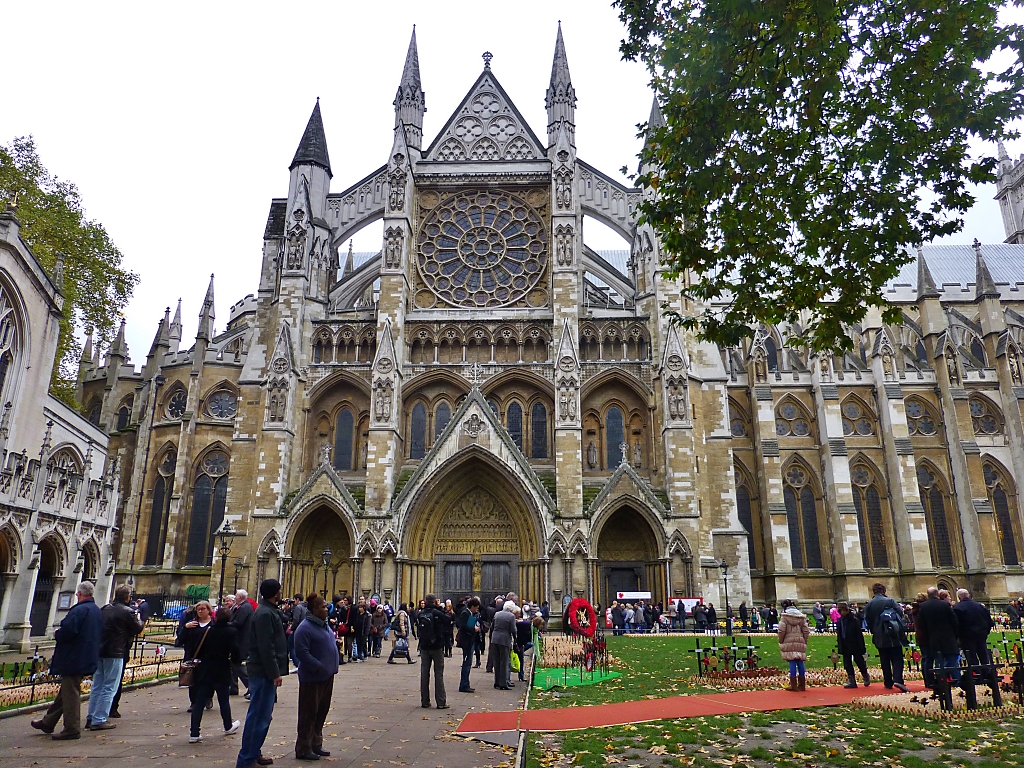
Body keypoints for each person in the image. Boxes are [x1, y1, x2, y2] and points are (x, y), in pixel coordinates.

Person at [31, 581, 102, 740]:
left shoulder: (79, 610)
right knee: (67, 691)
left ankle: (72, 728)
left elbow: (68, 631)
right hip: (86, 656)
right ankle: (48, 722)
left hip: (74, 657)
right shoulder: (96, 610)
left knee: (71, 693)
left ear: (79, 594)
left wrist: (57, 633)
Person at [236, 579, 289, 768]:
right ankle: (247, 760)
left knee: (263, 715)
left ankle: (253, 753)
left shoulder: (268, 610)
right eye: (279, 591)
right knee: (259, 716)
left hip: (263, 671)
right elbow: (266, 646)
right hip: (263, 672)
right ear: (275, 593)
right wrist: (275, 673)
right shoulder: (265, 613)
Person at [88, 584, 143, 730]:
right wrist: (140, 619)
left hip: (100, 650)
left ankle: (91, 716)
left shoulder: (105, 608)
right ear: (127, 597)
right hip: (115, 651)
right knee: (109, 686)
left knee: (97, 685)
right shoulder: (128, 611)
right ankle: (99, 719)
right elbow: (137, 628)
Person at [293, 593, 339, 761]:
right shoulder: (305, 627)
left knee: (321, 712)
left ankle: (316, 744)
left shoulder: (323, 625)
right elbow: (301, 653)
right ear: (313, 609)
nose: (326, 609)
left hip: (326, 676)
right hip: (313, 678)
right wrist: (318, 667)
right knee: (308, 714)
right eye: (323, 607)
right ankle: (303, 748)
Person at [187, 605, 241, 743]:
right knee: (223, 700)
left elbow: (197, 648)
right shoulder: (232, 631)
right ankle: (228, 726)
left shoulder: (208, 630)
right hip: (221, 668)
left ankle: (194, 733)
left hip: (205, 668)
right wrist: (235, 660)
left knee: (199, 701)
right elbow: (235, 650)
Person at [865, 582, 909, 692]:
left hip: (879, 635)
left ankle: (888, 682)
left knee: (884, 659)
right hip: (892, 633)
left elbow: (867, 619)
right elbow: (900, 614)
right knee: (897, 657)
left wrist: (873, 630)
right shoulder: (890, 601)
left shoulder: (870, 604)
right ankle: (898, 679)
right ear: (884, 591)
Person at [916, 586, 960, 683]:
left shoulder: (923, 607)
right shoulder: (945, 605)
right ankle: (956, 681)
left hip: (933, 638)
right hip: (948, 637)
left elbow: (921, 625)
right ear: (937, 594)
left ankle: (941, 681)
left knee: (938, 661)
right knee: (952, 660)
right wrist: (955, 635)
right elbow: (954, 622)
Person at [417, 594, 451, 709]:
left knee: (424, 673)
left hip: (424, 646)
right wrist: (440, 608)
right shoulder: (437, 613)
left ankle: (425, 701)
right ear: (435, 601)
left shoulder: (421, 613)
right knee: (438, 674)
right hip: (436, 646)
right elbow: (448, 619)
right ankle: (441, 702)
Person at [953, 588, 994, 668]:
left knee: (971, 657)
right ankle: (987, 673)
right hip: (981, 635)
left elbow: (956, 625)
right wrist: (985, 632)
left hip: (966, 636)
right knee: (983, 655)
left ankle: (977, 674)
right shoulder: (980, 606)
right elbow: (989, 622)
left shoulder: (957, 608)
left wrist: (958, 636)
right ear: (968, 595)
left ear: (959, 597)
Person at [777, 599, 810, 691]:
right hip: (800, 640)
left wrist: (781, 640)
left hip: (788, 640)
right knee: (800, 661)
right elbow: (806, 631)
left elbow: (781, 630)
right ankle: (802, 685)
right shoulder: (801, 617)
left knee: (792, 660)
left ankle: (794, 685)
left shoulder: (784, 617)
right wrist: (804, 640)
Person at [836, 601, 870, 688]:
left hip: (855, 644)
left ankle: (865, 676)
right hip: (845, 644)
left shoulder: (854, 620)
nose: (843, 612)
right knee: (847, 664)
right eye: (841, 611)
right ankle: (852, 681)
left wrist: (862, 648)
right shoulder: (840, 621)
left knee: (859, 661)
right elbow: (839, 634)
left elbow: (859, 635)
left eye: (844, 610)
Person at [229, 590, 254, 697]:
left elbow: (239, 622)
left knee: (236, 664)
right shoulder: (241, 606)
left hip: (241, 640)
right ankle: (233, 687)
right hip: (238, 639)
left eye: (236, 596)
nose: (235, 597)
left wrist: (226, 624)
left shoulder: (245, 607)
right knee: (233, 663)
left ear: (240, 597)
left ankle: (251, 686)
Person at [455, 596, 481, 692]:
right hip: (466, 642)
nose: (477, 610)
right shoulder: (465, 613)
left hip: (471, 640)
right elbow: (462, 626)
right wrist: (473, 629)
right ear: (472, 606)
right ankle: (464, 685)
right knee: (466, 664)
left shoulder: (471, 614)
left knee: (468, 664)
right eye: (476, 607)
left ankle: (466, 683)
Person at [490, 599, 516, 690]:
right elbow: (513, 630)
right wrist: (515, 638)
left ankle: (497, 682)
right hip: (504, 640)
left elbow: (492, 626)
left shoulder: (497, 614)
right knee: (504, 662)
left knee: (496, 661)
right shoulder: (511, 616)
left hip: (495, 639)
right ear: (511, 609)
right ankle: (504, 683)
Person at [910, 593, 933, 688]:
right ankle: (929, 680)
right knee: (928, 659)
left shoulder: (915, 610)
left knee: (925, 658)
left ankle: (927, 680)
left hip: (919, 636)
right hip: (926, 636)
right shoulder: (922, 610)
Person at [289, 593, 308, 666]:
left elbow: (296, 619)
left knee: (291, 646)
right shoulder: (305, 607)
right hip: (303, 629)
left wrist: (292, 628)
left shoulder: (298, 607)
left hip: (296, 629)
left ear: (297, 599)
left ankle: (297, 663)